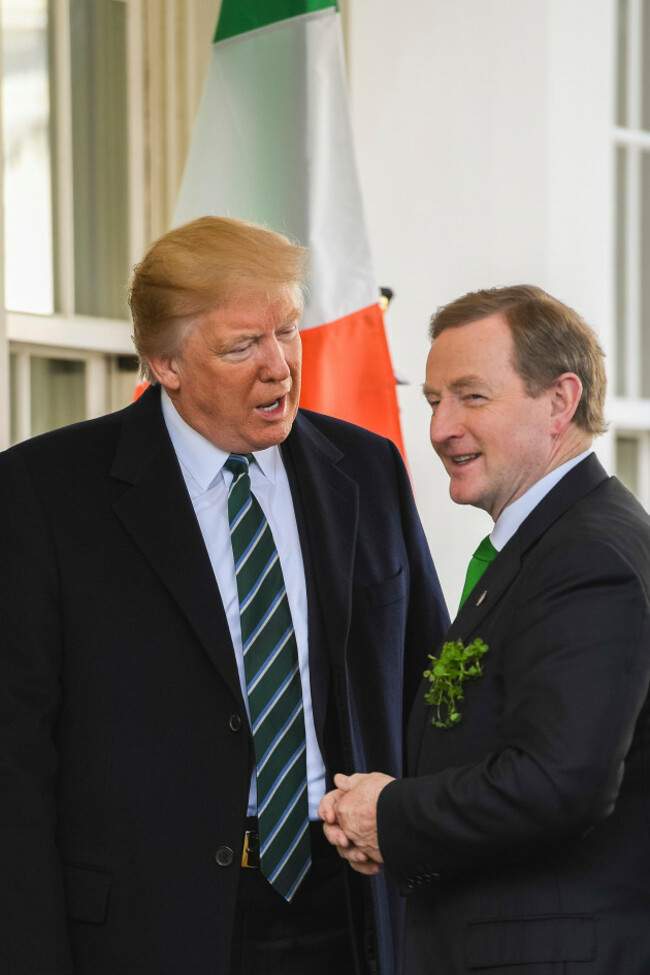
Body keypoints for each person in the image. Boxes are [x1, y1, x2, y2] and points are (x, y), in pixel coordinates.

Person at [0, 216, 449, 975]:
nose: (279, 366)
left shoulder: (367, 472)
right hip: (146, 925)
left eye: (288, 331)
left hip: (352, 906)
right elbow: (15, 763)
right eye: (242, 346)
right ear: (165, 363)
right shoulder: (44, 494)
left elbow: (429, 686)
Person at [320, 284, 650, 974]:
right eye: (435, 400)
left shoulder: (589, 556)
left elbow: (560, 782)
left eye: (472, 396)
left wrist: (393, 813)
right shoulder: (550, 542)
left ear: (561, 401)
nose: (441, 428)